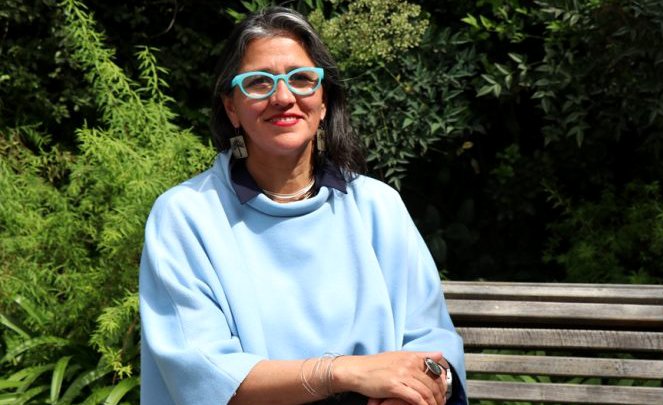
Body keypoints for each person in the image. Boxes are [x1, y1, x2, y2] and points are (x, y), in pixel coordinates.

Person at [139, 6, 467, 405]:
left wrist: (418, 390)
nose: (283, 97)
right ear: (231, 107)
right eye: (258, 82)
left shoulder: (379, 207)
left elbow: (433, 343)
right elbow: (204, 374)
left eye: (301, 79)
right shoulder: (186, 216)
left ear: (323, 100)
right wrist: (341, 372)